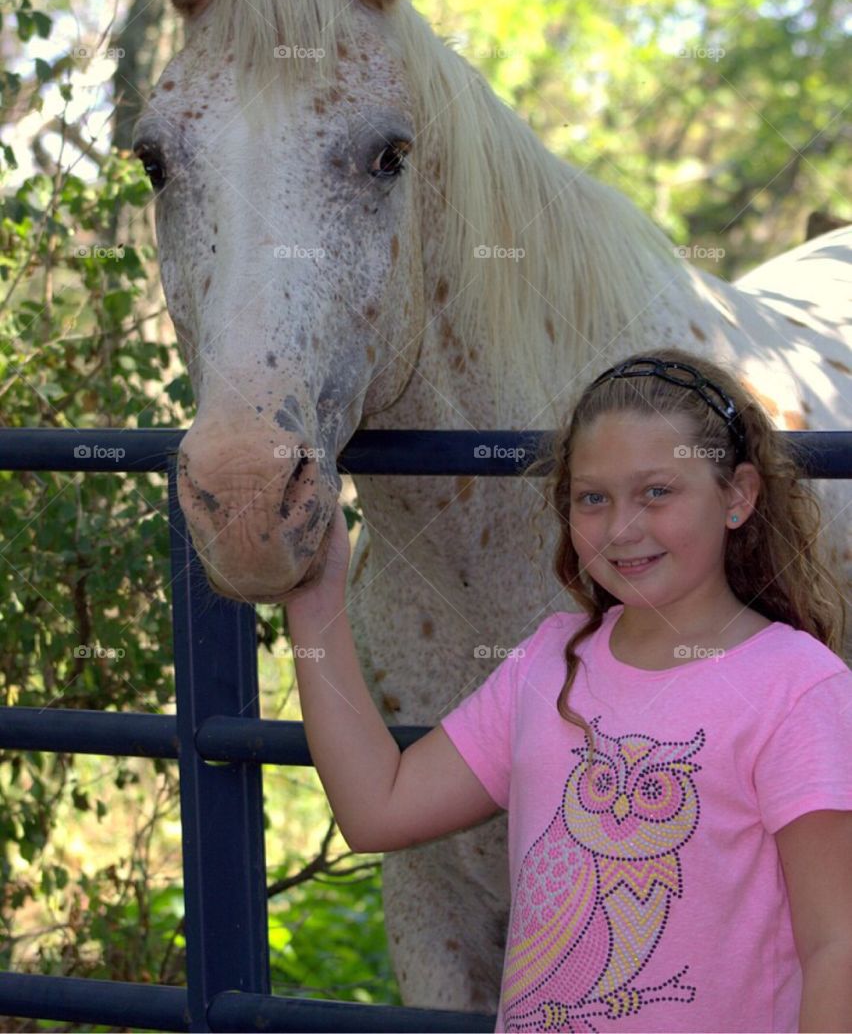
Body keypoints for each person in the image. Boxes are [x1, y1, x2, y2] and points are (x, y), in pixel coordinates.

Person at [285, 346, 852, 1033]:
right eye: (593, 498)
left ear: (737, 496)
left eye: (657, 492)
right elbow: (378, 807)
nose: (622, 528)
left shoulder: (797, 688)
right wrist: (316, 607)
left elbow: (837, 947)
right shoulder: (548, 663)